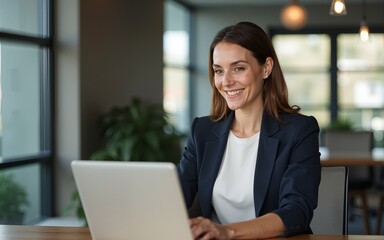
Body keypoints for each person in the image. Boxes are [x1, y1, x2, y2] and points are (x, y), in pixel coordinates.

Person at [176, 21, 321, 240]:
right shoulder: (202, 131)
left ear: (266, 68)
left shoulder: (299, 131)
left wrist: (228, 231)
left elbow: (296, 212)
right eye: (218, 71)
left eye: (238, 68)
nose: (226, 81)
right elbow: (174, 198)